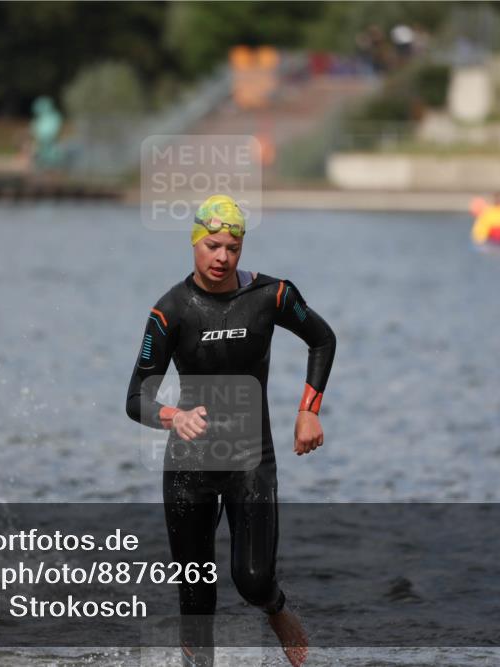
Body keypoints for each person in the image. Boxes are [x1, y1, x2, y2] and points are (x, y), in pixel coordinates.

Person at [126, 195, 336, 667]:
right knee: (196, 596)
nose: (222, 257)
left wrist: (308, 410)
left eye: (233, 248)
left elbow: (322, 339)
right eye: (213, 245)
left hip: (251, 457)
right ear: (194, 242)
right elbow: (135, 396)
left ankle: (275, 610)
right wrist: (173, 416)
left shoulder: (272, 296)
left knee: (254, 581)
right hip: (189, 464)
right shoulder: (170, 311)